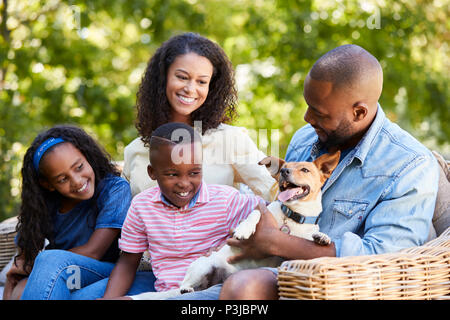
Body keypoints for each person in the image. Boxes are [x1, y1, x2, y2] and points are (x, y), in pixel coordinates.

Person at [176, 44, 440, 300]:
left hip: (341, 286)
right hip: (278, 270)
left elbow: (384, 259)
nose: (307, 118)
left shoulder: (409, 165)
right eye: (308, 105)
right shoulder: (307, 138)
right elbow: (281, 205)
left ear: (359, 112)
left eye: (319, 113)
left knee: (243, 287)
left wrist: (275, 242)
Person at [99, 122, 263, 299]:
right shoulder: (142, 206)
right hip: (166, 293)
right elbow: (128, 263)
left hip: (214, 289)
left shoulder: (225, 200)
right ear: (152, 172)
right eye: (172, 174)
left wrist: (238, 243)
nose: (184, 183)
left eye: (194, 173)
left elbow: (266, 209)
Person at [122, 32, 276, 201]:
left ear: (212, 87)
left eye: (201, 81)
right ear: (163, 77)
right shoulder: (135, 150)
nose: (190, 88)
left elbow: (275, 191)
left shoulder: (231, 140)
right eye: (182, 77)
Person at [3, 125, 134, 300]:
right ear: (48, 184)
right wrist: (13, 281)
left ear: (86, 156)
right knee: (20, 290)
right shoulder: (43, 207)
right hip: (60, 275)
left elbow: (94, 252)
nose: (77, 181)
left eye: (79, 167)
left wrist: (38, 265)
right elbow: (20, 265)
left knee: (48, 261)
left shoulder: (114, 189)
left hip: (101, 272)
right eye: (63, 179)